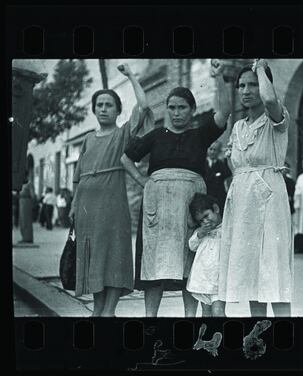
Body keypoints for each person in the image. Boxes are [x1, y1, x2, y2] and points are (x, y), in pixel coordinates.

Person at [120, 59, 231, 317]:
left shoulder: (199, 136)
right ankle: (150, 319)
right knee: (153, 267)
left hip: (189, 207)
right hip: (158, 209)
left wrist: (219, 78)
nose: (176, 112)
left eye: (182, 107)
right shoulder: (157, 136)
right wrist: (144, 181)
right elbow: (126, 158)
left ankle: (189, 320)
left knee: (190, 263)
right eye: (171, 108)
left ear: (192, 110)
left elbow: (224, 113)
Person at [68, 63, 152, 317]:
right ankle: (98, 309)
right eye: (99, 105)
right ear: (94, 110)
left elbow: (144, 106)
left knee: (113, 253)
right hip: (86, 208)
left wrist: (131, 76)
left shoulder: (122, 134)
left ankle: (110, 310)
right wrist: (73, 205)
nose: (103, 109)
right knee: (94, 256)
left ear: (117, 110)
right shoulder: (87, 139)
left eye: (109, 105)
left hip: (113, 206)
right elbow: (76, 178)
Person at [218, 59, 293, 317]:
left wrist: (260, 67)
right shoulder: (238, 127)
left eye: (252, 85)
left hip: (270, 198)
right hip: (242, 203)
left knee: (274, 270)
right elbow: (236, 167)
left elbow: (270, 100)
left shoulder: (276, 117)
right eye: (241, 85)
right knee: (250, 274)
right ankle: (258, 336)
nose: (246, 90)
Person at [186, 193, 226, 317]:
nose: (205, 221)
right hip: (204, 280)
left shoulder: (226, 228)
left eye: (206, 216)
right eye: (201, 220)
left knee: (218, 312)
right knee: (206, 312)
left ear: (216, 209)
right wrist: (200, 233)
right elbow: (192, 246)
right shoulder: (201, 232)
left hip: (219, 280)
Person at [204, 141, 232, 213]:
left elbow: (227, 174)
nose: (212, 152)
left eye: (215, 150)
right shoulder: (202, 163)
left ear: (219, 152)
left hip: (218, 196)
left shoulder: (221, 164)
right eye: (211, 149)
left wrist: (225, 160)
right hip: (206, 194)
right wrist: (215, 175)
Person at [18, 172, 36, 243]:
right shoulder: (22, 184)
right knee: (22, 220)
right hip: (21, 201)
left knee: (26, 220)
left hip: (27, 202)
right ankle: (24, 237)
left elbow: (33, 195)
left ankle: (28, 238)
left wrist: (33, 204)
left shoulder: (29, 184)